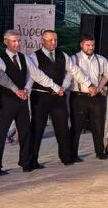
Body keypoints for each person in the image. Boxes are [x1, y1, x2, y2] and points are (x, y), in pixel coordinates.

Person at [28, 29, 97, 167]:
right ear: (42, 41)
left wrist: (88, 84)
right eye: (50, 40)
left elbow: (74, 71)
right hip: (40, 96)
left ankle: (66, 157)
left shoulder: (63, 55)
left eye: (55, 40)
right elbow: (37, 76)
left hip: (58, 97)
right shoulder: (33, 56)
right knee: (37, 129)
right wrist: (55, 87)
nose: (53, 42)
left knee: (63, 128)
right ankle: (32, 161)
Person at [71, 33, 108, 160]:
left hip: (97, 97)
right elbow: (73, 76)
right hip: (79, 96)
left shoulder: (101, 59)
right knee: (76, 126)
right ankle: (72, 154)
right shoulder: (74, 59)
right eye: (88, 45)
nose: (91, 47)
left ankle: (100, 151)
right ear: (81, 45)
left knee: (99, 125)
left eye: (92, 45)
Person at [0, 30, 35, 173]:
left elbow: (31, 75)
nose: (17, 44)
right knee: (1, 132)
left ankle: (26, 162)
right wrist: (17, 91)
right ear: (6, 42)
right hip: (7, 101)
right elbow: (0, 79)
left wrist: (26, 89)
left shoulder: (24, 57)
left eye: (19, 41)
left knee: (25, 131)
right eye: (14, 41)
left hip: (22, 100)